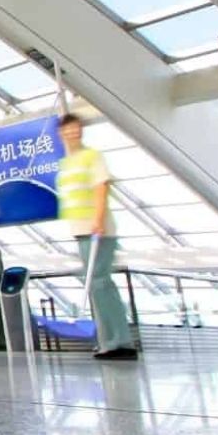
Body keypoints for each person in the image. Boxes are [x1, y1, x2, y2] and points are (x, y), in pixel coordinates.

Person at [57, 112, 137, 361]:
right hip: (80, 231)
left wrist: (99, 219)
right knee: (96, 284)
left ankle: (119, 342)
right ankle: (108, 340)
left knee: (100, 282)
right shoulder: (66, 164)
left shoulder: (93, 157)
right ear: (61, 133)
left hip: (97, 230)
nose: (73, 133)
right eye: (68, 130)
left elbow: (101, 186)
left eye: (76, 129)